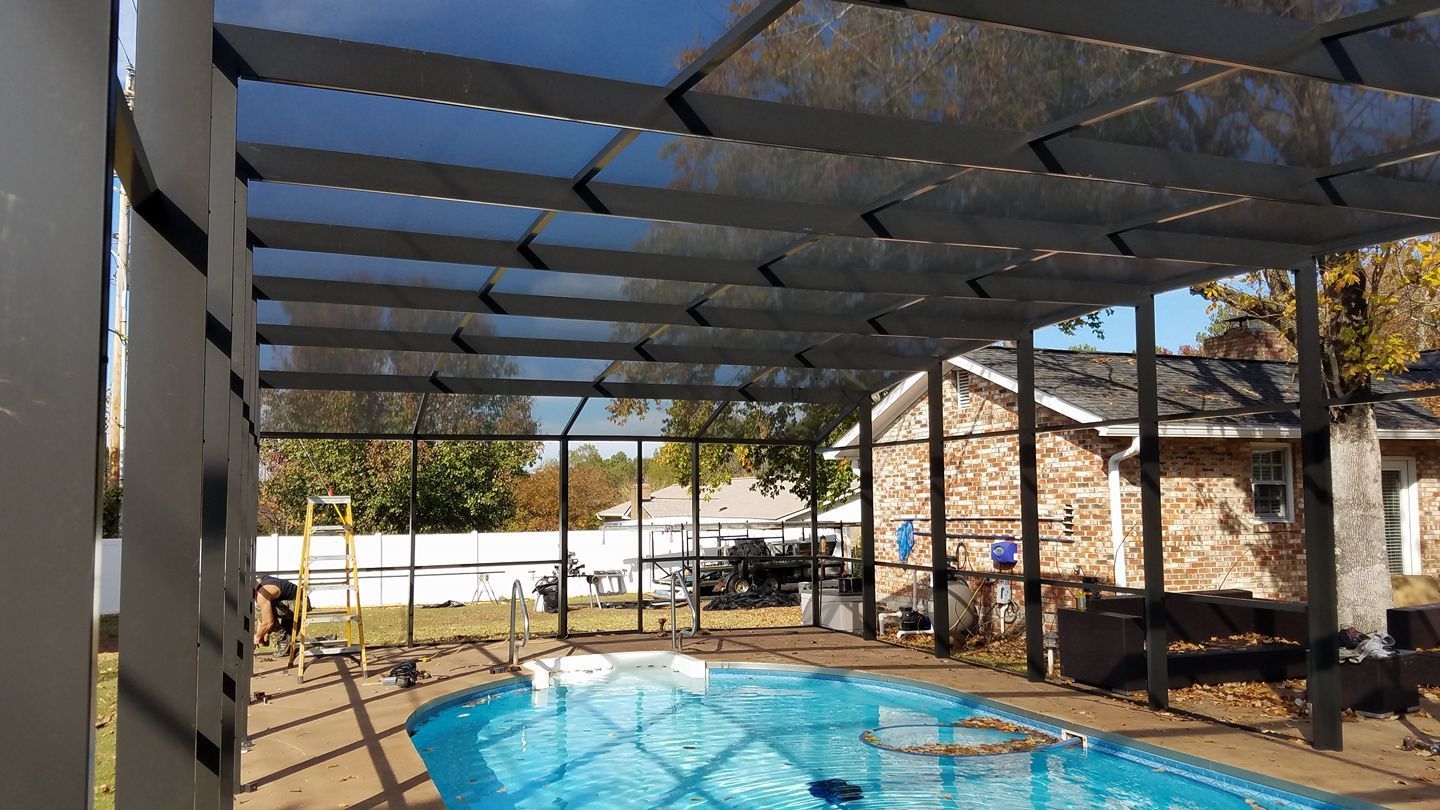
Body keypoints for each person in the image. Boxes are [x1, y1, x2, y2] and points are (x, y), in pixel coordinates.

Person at [253, 574, 300, 657]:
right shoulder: (257, 582)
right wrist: (260, 634)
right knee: (260, 608)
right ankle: (286, 640)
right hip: (290, 601)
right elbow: (261, 617)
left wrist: (257, 637)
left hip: (300, 604)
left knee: (260, 609)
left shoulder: (262, 593)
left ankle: (283, 639)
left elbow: (268, 622)